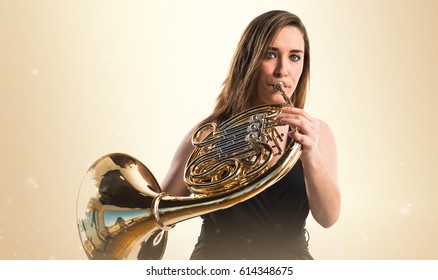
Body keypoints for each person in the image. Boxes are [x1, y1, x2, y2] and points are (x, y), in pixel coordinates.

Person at [160, 10, 340, 260]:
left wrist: (311, 156)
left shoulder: (317, 133)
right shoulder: (209, 133)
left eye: (295, 57)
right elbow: (159, 210)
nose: (282, 71)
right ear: (249, 60)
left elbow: (328, 218)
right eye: (270, 54)